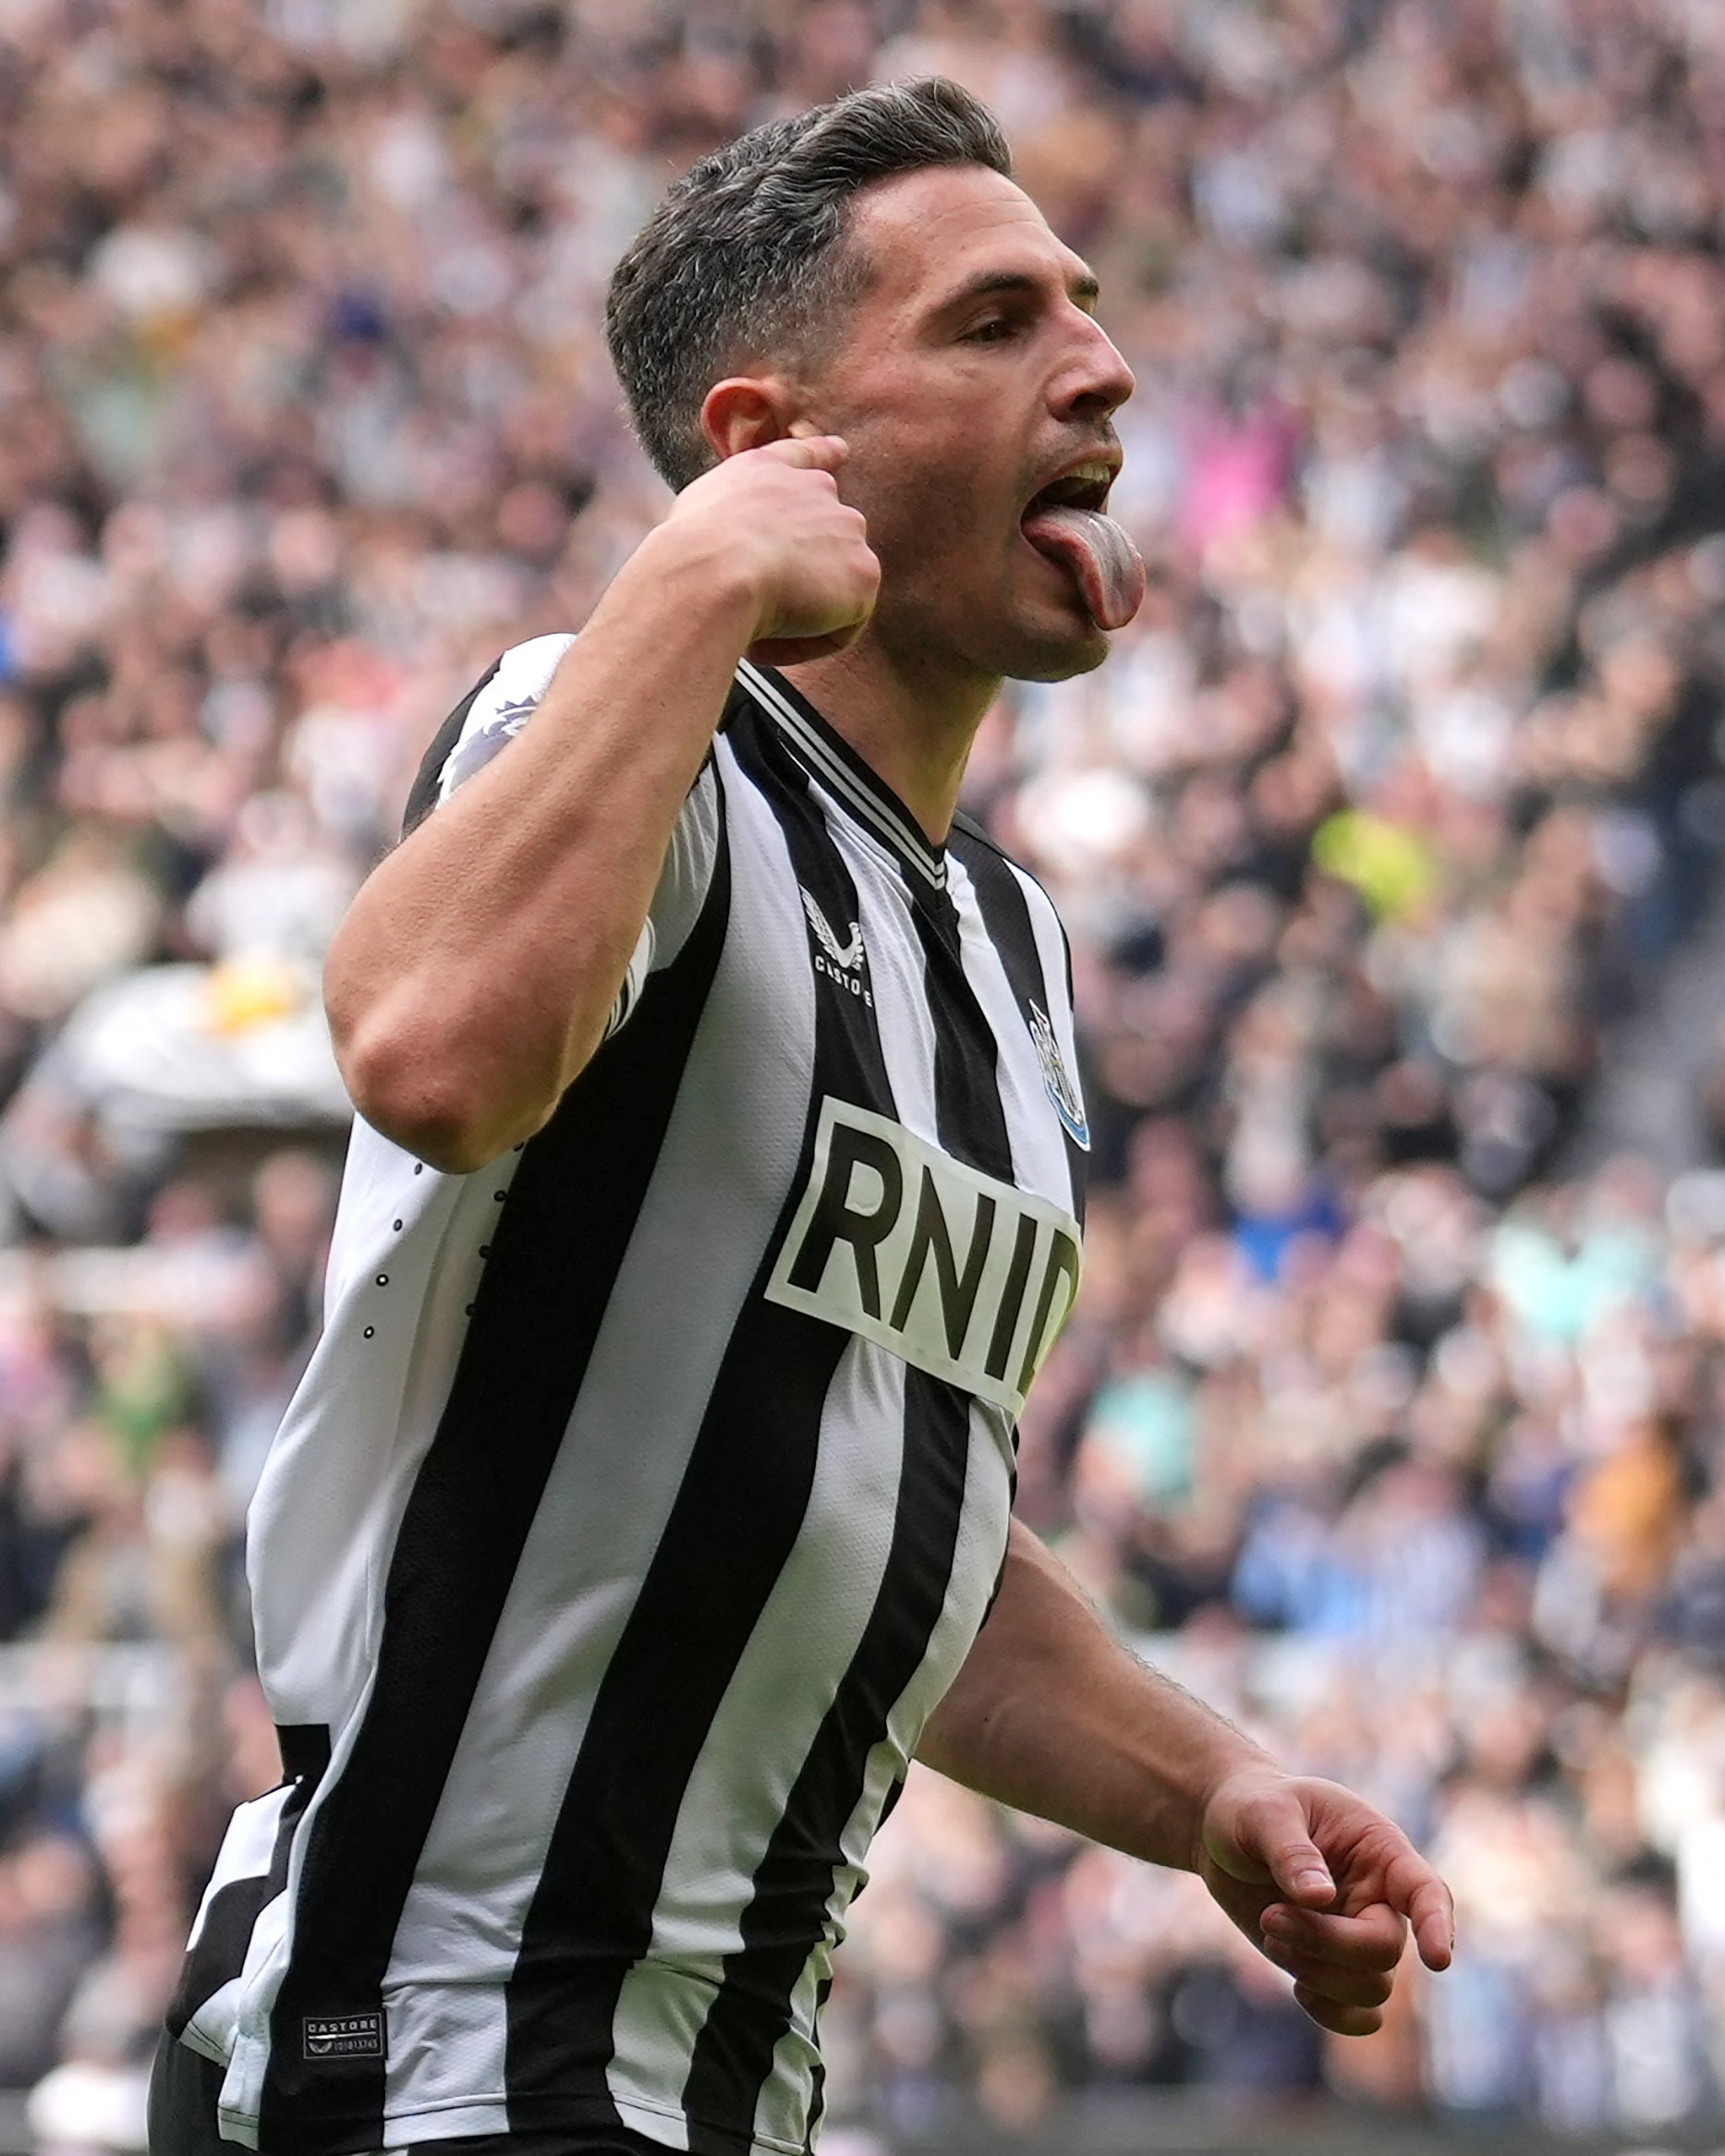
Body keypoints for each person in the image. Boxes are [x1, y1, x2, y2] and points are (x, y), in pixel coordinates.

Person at [150, 79, 1452, 2156]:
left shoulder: (1009, 952)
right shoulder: (612, 729)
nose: (1100, 363)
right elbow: (425, 1052)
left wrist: (1208, 1786)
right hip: (443, 2051)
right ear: (768, 443)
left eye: (1087, 308)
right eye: (993, 321)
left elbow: (873, 1508)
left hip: (724, 2092)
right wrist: (688, 588)